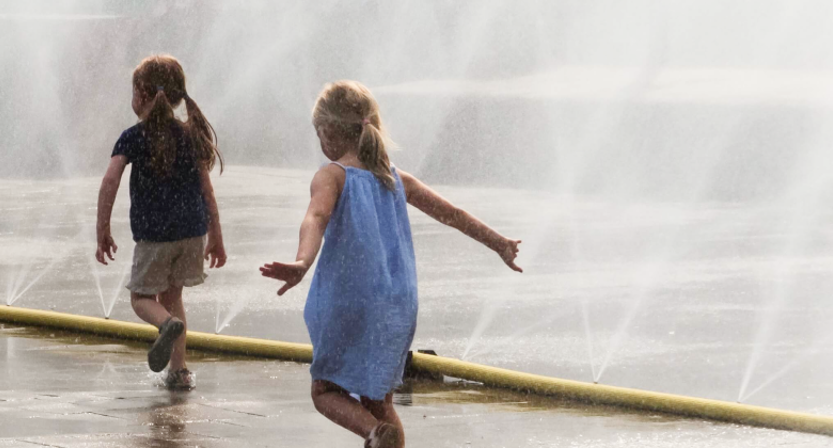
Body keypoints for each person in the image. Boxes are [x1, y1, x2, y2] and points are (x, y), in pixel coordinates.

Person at [261, 81, 523, 447]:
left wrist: (303, 261)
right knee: (379, 399)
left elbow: (316, 217)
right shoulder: (396, 178)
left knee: (324, 390)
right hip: (397, 304)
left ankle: (371, 432)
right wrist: (499, 243)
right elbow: (453, 214)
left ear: (328, 131)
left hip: (351, 300)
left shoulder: (332, 175)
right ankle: (380, 432)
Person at [94, 54, 227, 390]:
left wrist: (103, 229)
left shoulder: (133, 137)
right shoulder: (191, 134)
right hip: (192, 233)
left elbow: (109, 181)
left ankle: (166, 324)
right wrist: (217, 236)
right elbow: (207, 190)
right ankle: (179, 371)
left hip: (155, 237)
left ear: (141, 94)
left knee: (141, 298)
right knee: (173, 296)